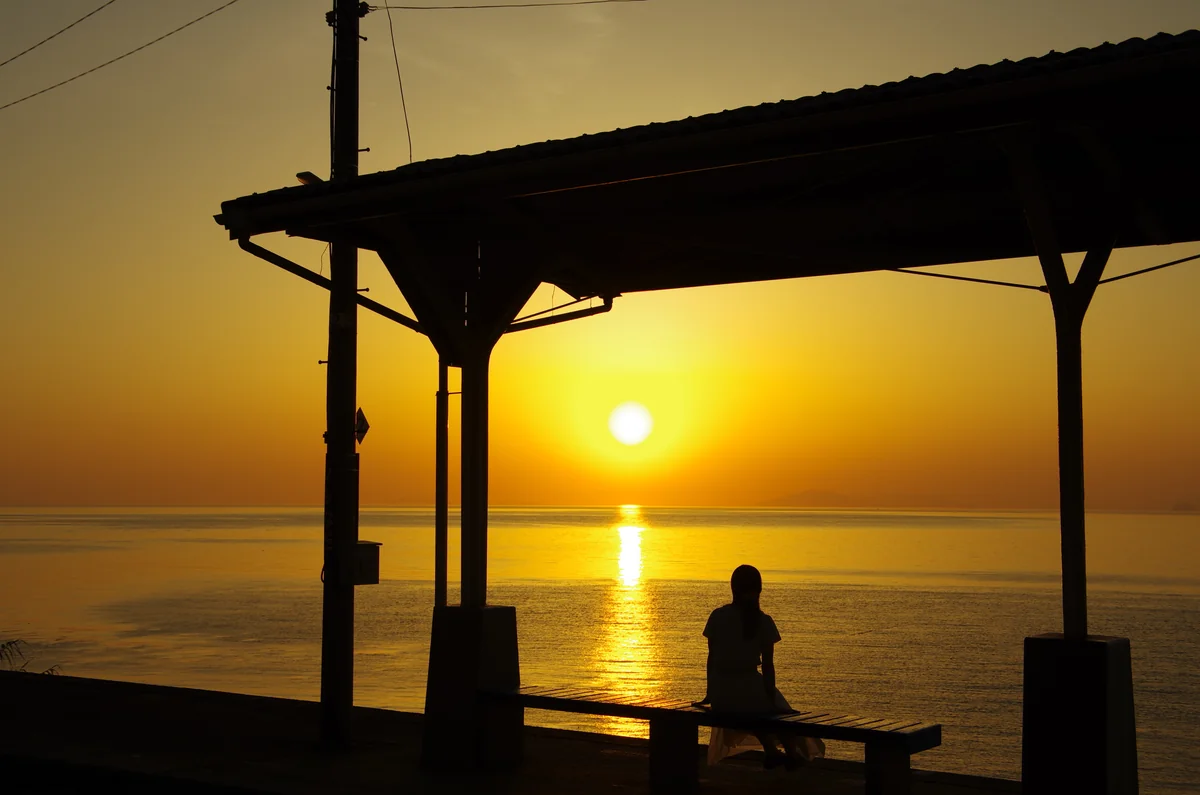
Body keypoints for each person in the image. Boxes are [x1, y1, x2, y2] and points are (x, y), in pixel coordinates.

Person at [695, 564, 825, 769]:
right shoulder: (763, 621)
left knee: (755, 703)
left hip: (722, 693)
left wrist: (710, 693)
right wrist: (772, 698)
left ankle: (773, 752)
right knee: (774, 707)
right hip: (745, 686)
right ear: (759, 590)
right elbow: (768, 666)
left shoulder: (718, 616)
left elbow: (712, 659)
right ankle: (790, 753)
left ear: (733, 588)